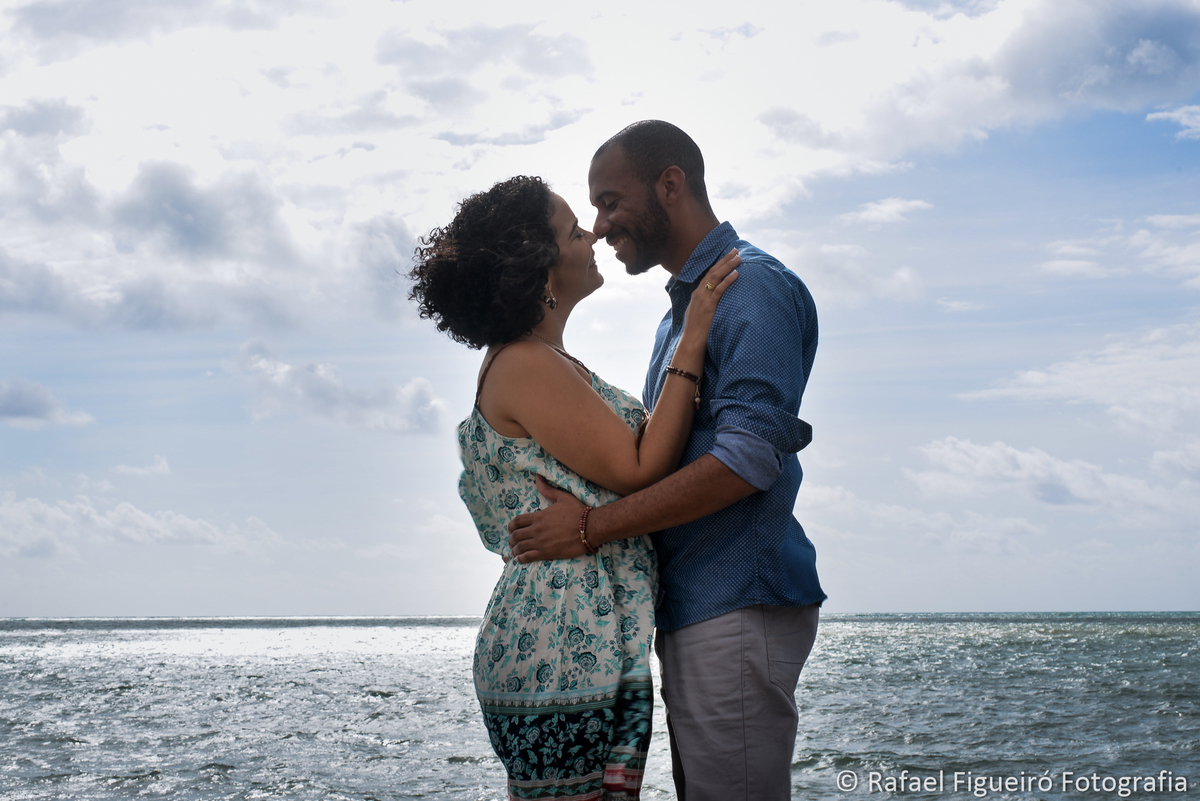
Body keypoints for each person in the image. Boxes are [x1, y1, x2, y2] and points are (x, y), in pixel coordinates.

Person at [507, 121, 827, 801]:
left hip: (738, 599)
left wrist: (591, 528)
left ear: (670, 185)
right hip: (697, 605)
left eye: (610, 201)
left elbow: (746, 461)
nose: (599, 226)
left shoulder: (750, 288)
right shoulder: (684, 313)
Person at [408, 174, 739, 800]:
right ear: (539, 265)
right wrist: (693, 337)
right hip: (560, 637)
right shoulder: (525, 364)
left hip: (579, 630)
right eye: (572, 230)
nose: (592, 235)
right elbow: (640, 471)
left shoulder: (544, 360)